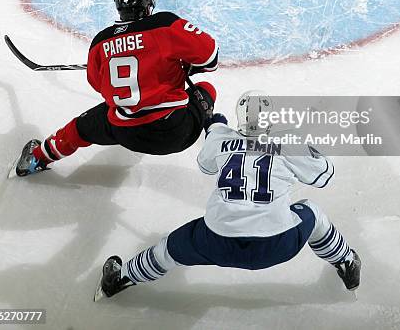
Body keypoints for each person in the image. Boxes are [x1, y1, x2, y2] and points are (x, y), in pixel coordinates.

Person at [94, 91, 361, 301]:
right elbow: (325, 176)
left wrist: (214, 129)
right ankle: (347, 262)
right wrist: (310, 147)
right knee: (312, 211)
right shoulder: (289, 144)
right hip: (276, 244)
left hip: (215, 240)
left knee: (167, 251)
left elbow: (206, 164)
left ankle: (120, 279)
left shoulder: (222, 139)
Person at [12, 0, 218, 177]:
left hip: (125, 131)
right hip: (174, 131)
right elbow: (211, 58)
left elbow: (97, 83)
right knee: (205, 90)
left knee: (79, 128)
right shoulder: (164, 24)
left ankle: (35, 159)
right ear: (148, 7)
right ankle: (217, 140)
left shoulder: (101, 41)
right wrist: (185, 66)